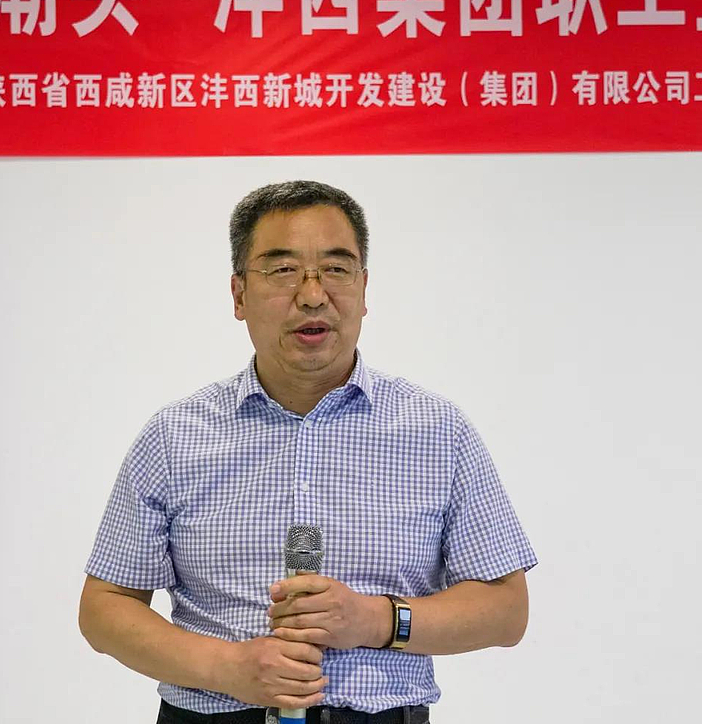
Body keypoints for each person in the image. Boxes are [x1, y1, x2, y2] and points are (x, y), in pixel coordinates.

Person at [79, 180, 538, 724]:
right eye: (283, 269)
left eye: (337, 269)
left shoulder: (437, 431)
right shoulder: (174, 436)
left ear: (364, 289)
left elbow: (506, 610)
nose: (313, 295)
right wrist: (228, 667)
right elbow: (104, 608)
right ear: (238, 295)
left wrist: (375, 620)